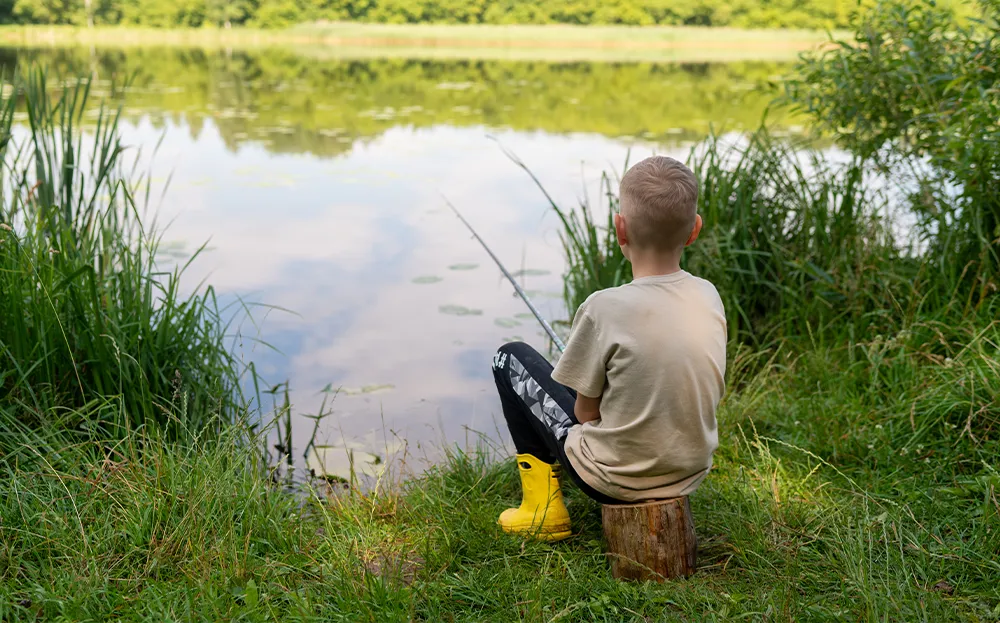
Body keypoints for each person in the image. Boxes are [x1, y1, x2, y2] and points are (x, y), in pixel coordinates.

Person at [491, 155, 727, 541]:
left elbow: (585, 413)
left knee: (510, 357)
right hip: (689, 472)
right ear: (694, 230)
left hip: (612, 480)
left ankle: (542, 511)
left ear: (620, 228)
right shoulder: (708, 295)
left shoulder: (604, 306)